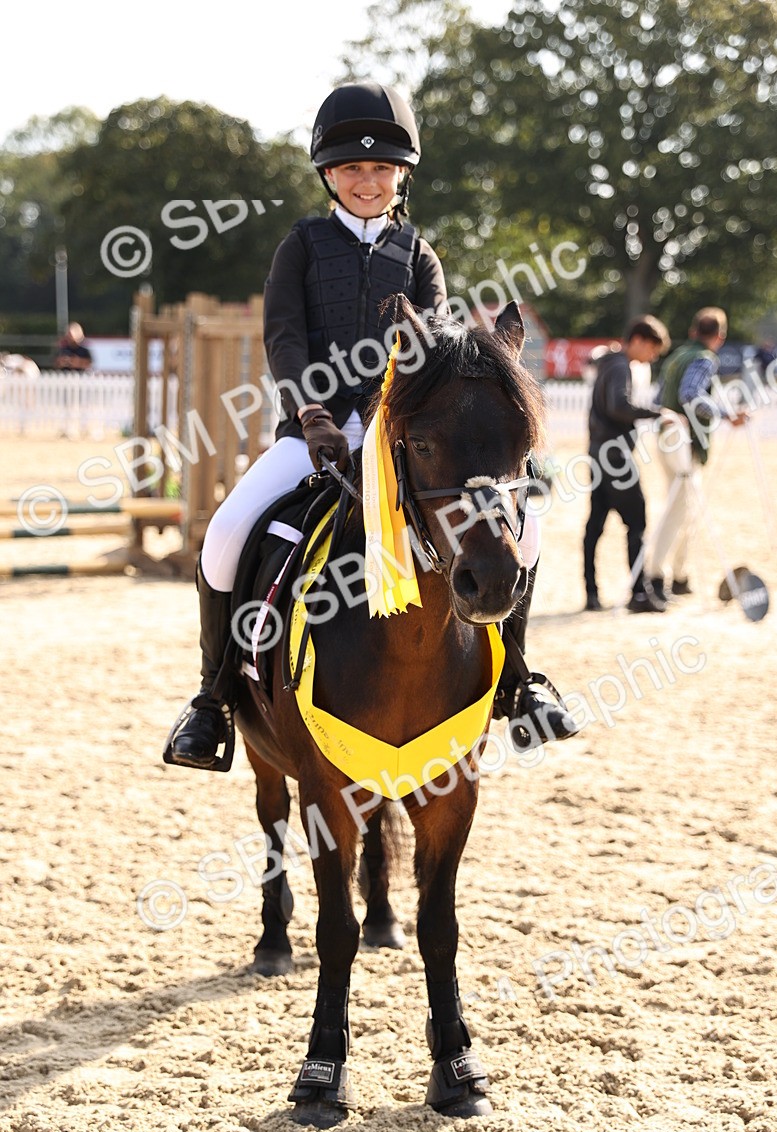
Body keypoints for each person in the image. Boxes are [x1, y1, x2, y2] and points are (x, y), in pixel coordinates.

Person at [165, 81, 576, 770]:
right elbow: (285, 340)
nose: (367, 180)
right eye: (354, 169)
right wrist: (313, 414)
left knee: (522, 528)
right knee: (226, 535)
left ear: (401, 177)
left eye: (381, 169)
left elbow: (433, 351)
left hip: (398, 441)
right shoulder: (300, 246)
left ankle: (518, 681)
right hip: (313, 435)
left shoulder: (419, 256)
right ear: (329, 174)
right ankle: (212, 701)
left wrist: (398, 426)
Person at [648, 307, 748, 600]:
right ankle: (656, 576)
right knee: (678, 510)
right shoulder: (704, 358)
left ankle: (680, 575)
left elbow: (658, 398)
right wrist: (726, 414)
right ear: (719, 336)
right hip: (684, 442)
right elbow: (690, 395)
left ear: (694, 331)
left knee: (685, 507)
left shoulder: (676, 356)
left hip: (665, 438)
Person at [582, 315, 671, 613]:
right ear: (639, 340)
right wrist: (658, 413)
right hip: (616, 457)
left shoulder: (608, 363)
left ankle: (591, 593)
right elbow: (619, 406)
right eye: (652, 350)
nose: (652, 357)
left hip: (598, 452)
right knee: (637, 521)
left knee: (596, 523)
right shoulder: (621, 366)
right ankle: (639, 593)